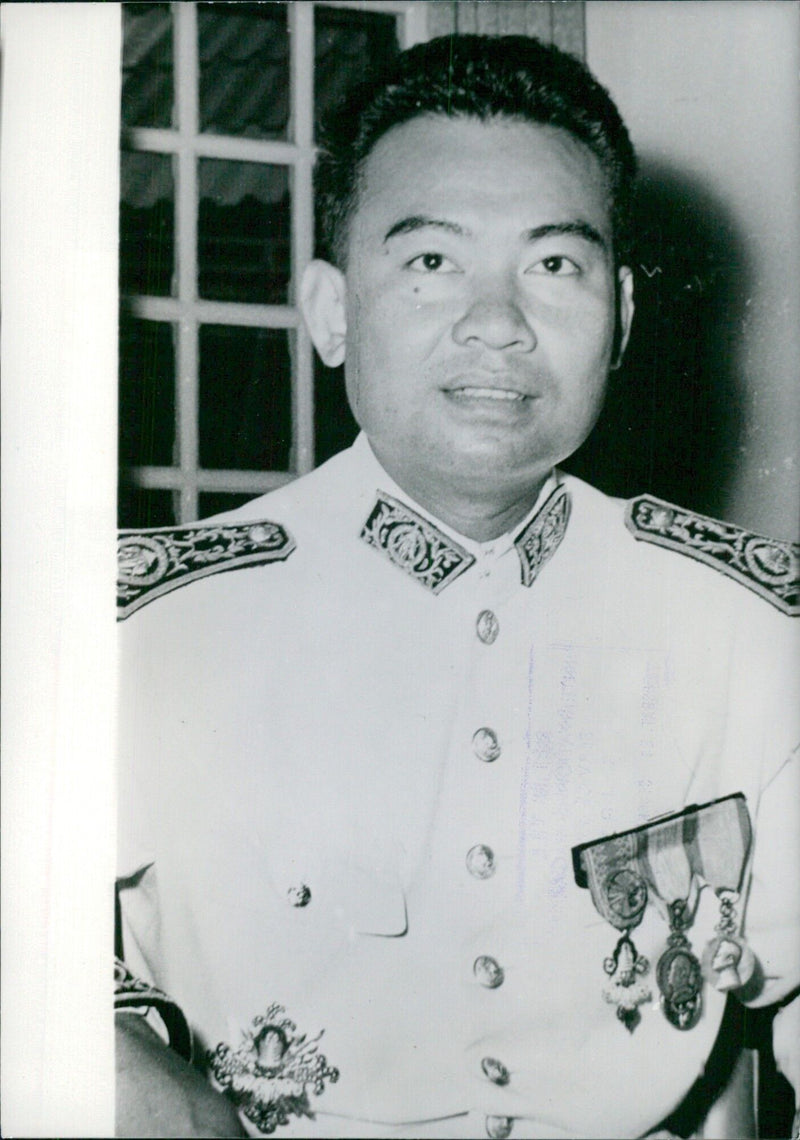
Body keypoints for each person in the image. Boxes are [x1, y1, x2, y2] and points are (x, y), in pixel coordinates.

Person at [115, 34, 800, 1140]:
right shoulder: (141, 627)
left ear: (620, 316)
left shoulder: (748, 628)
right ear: (332, 312)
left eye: (553, 265)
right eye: (431, 263)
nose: (497, 322)